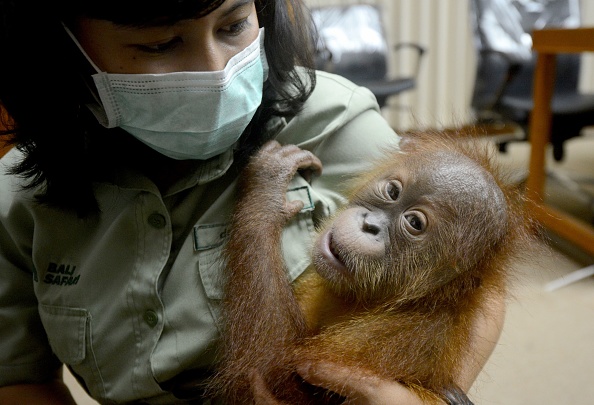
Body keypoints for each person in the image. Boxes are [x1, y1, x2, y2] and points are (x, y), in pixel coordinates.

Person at [0, 0, 505, 403]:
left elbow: (467, 272)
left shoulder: (337, 123)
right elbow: (16, 376)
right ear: (64, 49)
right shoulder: (18, 195)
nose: (216, 72)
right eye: (160, 43)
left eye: (234, 24)